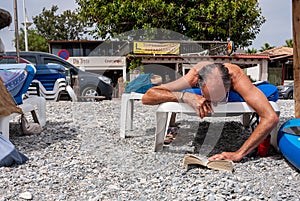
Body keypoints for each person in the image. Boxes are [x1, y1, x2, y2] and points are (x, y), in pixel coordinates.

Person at [142, 62, 279, 162]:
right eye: (209, 98)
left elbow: (270, 117)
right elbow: (147, 96)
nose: (214, 104)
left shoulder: (235, 76)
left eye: (218, 98)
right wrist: (184, 96)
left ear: (229, 87)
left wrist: (238, 154)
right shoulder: (194, 76)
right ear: (199, 85)